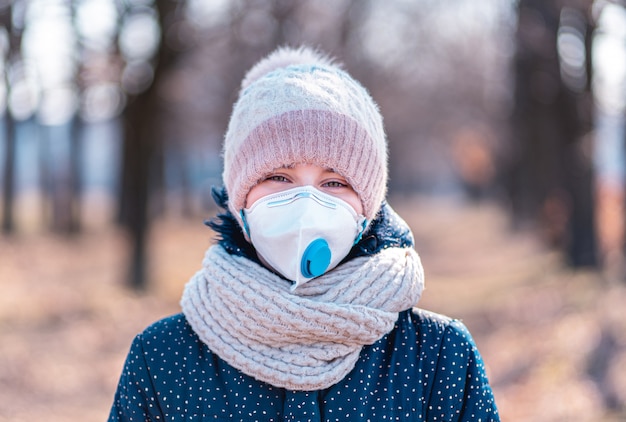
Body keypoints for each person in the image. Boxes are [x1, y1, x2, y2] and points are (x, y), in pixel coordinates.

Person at [108, 46, 500, 421]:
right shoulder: (163, 359)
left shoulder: (438, 356)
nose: (307, 204)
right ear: (239, 197)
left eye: (335, 183)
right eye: (279, 177)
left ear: (369, 206)